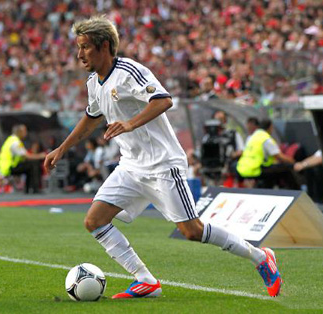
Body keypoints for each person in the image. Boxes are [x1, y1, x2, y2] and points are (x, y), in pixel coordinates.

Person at [44, 16, 282, 299]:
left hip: (162, 165)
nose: (79, 54)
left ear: (104, 45)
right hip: (130, 166)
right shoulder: (94, 83)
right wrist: (62, 148)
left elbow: (163, 100)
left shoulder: (130, 71)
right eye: (79, 47)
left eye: (84, 47)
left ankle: (260, 257)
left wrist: (131, 123)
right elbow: (90, 117)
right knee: (94, 221)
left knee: (192, 230)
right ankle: (145, 280)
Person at [236, 119, 299, 189]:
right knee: (286, 168)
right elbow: (279, 157)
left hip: (243, 168)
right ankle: (295, 191)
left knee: (273, 170)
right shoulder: (265, 138)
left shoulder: (251, 137)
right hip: (255, 169)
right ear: (270, 127)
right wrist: (294, 162)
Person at [0, 125, 46, 194]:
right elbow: (26, 156)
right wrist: (41, 156)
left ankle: (28, 189)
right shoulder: (15, 142)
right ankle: (35, 189)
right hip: (8, 168)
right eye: (24, 131)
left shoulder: (11, 140)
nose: (26, 133)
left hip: (7, 167)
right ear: (19, 132)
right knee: (33, 163)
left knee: (29, 165)